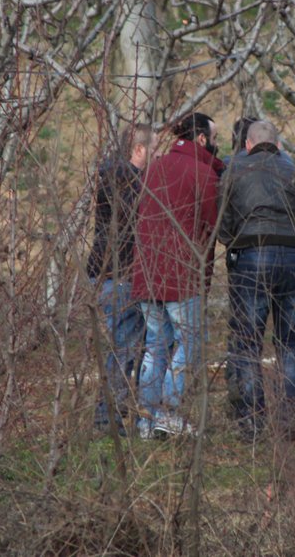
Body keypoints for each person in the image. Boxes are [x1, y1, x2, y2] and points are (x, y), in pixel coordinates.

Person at [218, 120, 295, 442]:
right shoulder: (293, 171)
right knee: (292, 342)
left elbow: (223, 224)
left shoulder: (234, 170)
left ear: (247, 144)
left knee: (247, 344)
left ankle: (252, 423)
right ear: (278, 145)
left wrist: (237, 243)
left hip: (252, 257)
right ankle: (290, 419)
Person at [132, 112, 223, 438]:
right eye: (214, 138)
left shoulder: (151, 170)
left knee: (155, 346)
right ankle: (167, 413)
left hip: (146, 274)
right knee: (190, 343)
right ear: (201, 139)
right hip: (182, 277)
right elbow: (214, 229)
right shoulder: (203, 174)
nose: (217, 144)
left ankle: (146, 419)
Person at [89, 123, 157, 435]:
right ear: (139, 149)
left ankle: (114, 414)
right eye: (153, 147)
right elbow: (134, 223)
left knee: (128, 347)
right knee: (125, 349)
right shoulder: (125, 181)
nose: (157, 155)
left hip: (112, 273)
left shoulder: (116, 177)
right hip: (119, 274)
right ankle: (107, 419)